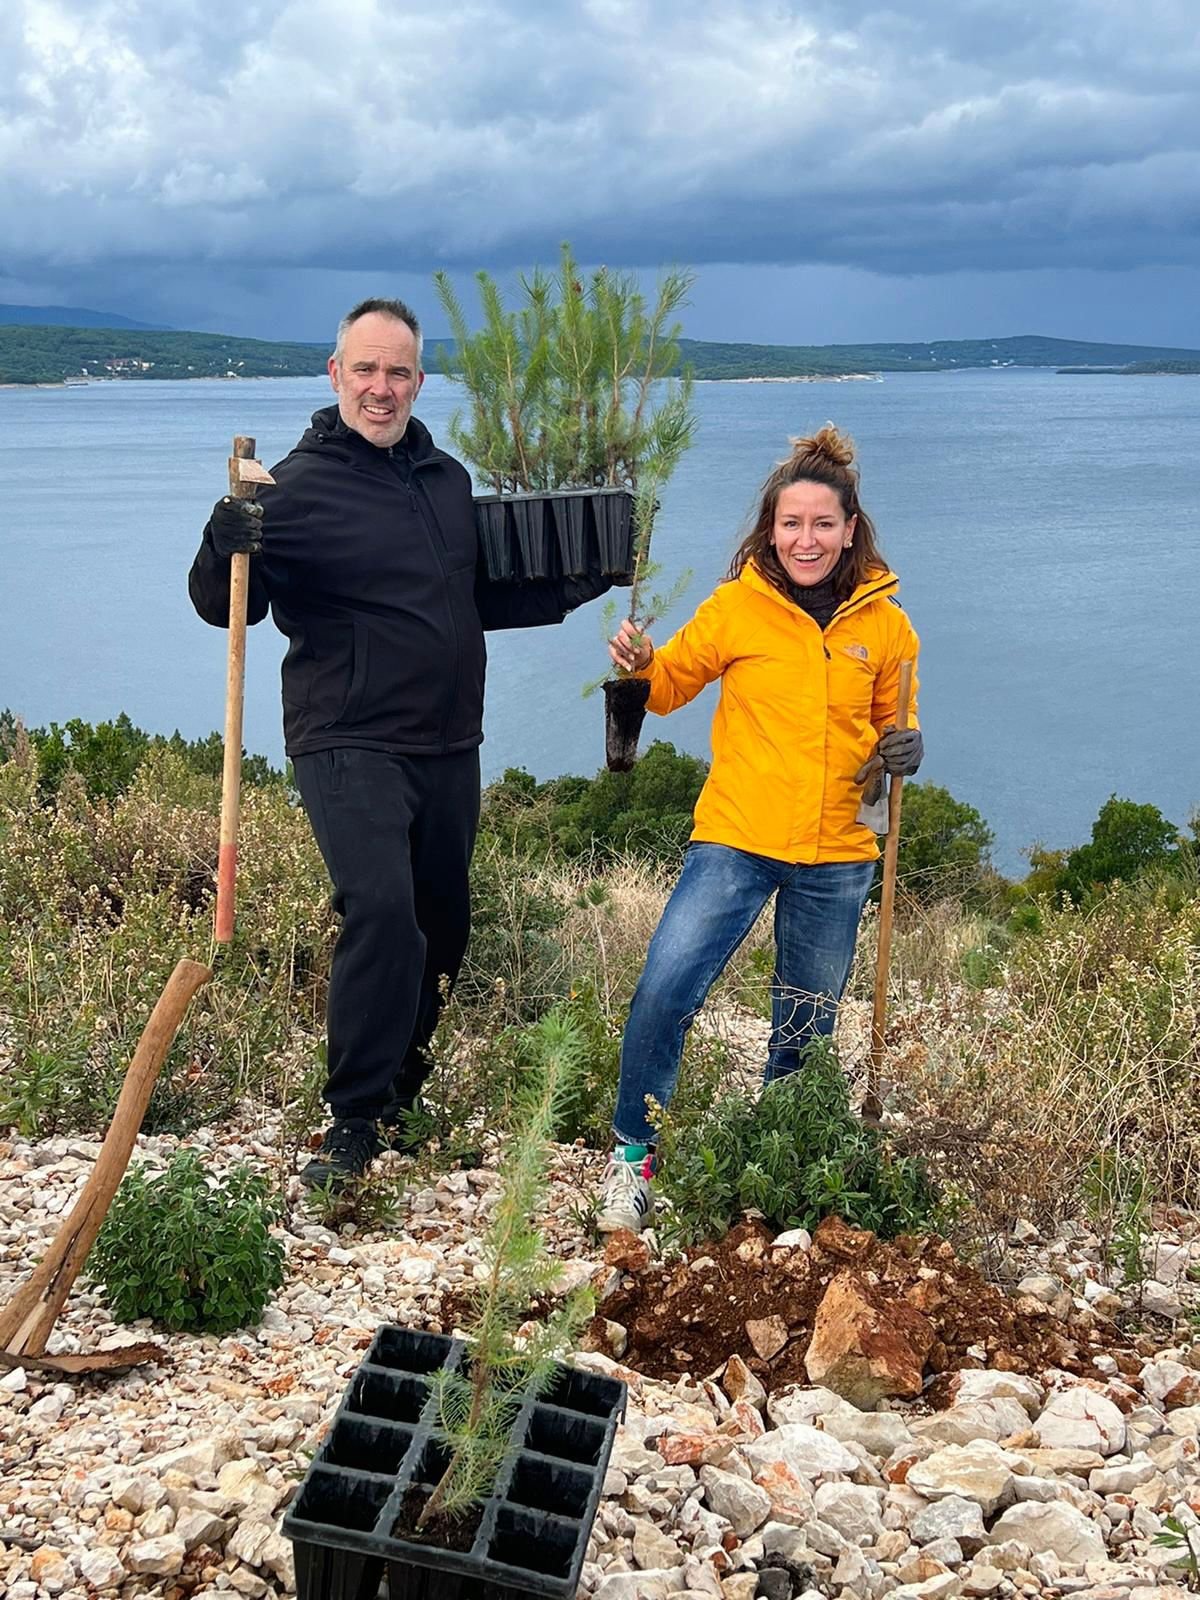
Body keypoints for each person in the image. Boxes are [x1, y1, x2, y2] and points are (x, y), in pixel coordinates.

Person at [189, 297, 626, 1188]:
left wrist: (571, 588)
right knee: (382, 909)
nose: (381, 388)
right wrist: (218, 538)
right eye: (365, 370)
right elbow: (222, 601)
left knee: (443, 928)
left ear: (419, 381)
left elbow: (473, 601)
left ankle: (398, 1094)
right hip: (344, 735)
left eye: (398, 373)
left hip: (446, 742)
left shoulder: (446, 480)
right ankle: (350, 1122)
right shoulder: (290, 488)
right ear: (335, 374)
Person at [595, 425, 922, 1234]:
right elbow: (668, 685)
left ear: (851, 529)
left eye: (821, 525)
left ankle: (773, 1163)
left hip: (839, 853)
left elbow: (893, 732)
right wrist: (639, 661)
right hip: (737, 837)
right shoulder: (738, 604)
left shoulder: (887, 628)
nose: (804, 539)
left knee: (804, 1022)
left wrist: (907, 746)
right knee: (665, 990)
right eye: (790, 524)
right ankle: (633, 1159)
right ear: (769, 529)